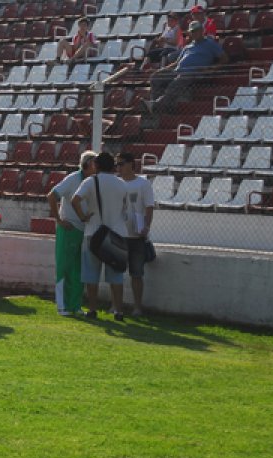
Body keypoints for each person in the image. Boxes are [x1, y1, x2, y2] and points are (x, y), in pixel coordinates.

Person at [70, 152, 130, 321]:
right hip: (117, 234)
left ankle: (92, 309)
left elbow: (75, 200)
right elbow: (125, 209)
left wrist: (83, 216)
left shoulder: (90, 181)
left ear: (96, 165)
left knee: (91, 273)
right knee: (116, 275)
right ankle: (118, 310)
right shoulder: (122, 184)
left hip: (94, 233)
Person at [48, 150, 96, 316]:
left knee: (79, 270)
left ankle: (75, 305)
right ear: (87, 164)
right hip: (69, 229)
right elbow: (52, 196)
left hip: (85, 230)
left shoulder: (93, 181)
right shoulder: (72, 179)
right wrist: (59, 220)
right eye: (95, 162)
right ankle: (62, 306)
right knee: (65, 267)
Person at [145, 22, 227, 113]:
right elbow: (177, 63)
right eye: (192, 31)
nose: (194, 33)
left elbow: (224, 58)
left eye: (196, 31)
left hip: (196, 72)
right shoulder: (187, 47)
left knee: (177, 81)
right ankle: (158, 106)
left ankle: (156, 105)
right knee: (156, 77)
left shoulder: (210, 43)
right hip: (179, 71)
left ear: (202, 31)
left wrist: (212, 68)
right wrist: (163, 70)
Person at [117, 152, 154, 317]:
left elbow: (149, 207)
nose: (119, 167)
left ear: (132, 164)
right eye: (117, 164)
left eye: (122, 163)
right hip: (119, 234)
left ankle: (137, 307)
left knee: (136, 273)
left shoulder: (143, 184)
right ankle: (116, 305)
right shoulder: (116, 184)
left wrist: (146, 227)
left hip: (137, 236)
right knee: (116, 272)